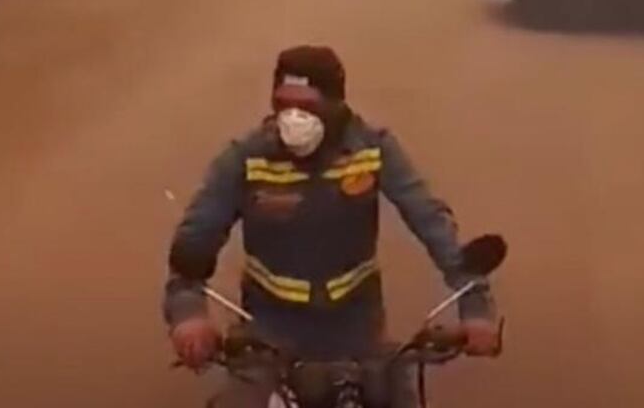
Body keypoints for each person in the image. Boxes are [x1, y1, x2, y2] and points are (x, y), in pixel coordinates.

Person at [164, 45, 501, 408]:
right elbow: (191, 248)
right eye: (283, 105)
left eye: (308, 107)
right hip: (266, 332)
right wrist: (189, 316)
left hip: (358, 331)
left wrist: (475, 309)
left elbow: (432, 222)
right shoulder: (246, 157)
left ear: (337, 103)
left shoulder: (373, 150)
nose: (293, 118)